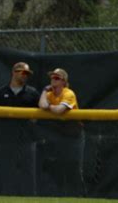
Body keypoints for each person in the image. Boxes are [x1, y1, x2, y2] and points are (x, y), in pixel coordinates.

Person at [38, 68, 86, 196]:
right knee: (58, 165)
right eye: (52, 77)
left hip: (74, 134)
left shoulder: (68, 93)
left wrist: (49, 107)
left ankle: (79, 196)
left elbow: (59, 110)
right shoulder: (49, 94)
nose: (53, 79)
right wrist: (44, 90)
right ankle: (60, 195)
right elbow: (42, 105)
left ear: (64, 82)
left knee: (74, 167)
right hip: (60, 134)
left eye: (57, 77)